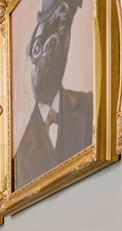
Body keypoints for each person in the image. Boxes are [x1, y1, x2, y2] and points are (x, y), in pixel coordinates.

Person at [14, 0, 92, 189]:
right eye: (40, 46)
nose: (51, 47)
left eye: (62, 31)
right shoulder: (19, 155)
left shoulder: (90, 105)